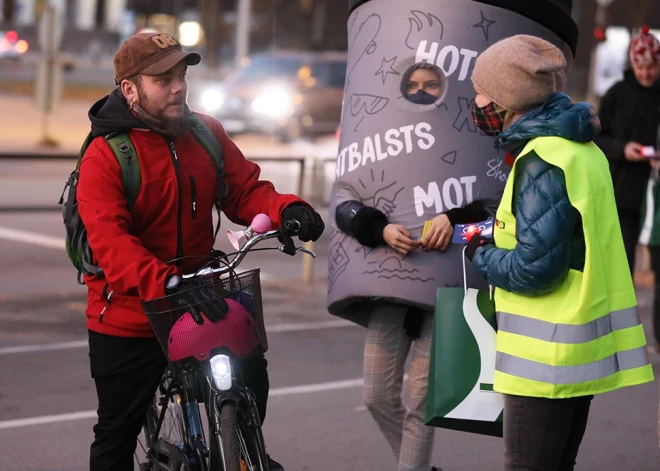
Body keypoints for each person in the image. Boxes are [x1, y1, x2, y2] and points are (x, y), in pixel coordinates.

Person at [77, 32, 325, 471]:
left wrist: (287, 208)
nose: (179, 86)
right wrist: (163, 281)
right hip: (130, 314)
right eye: (163, 78)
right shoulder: (107, 155)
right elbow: (111, 245)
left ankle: (244, 447)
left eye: (182, 74)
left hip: (199, 296)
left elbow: (245, 190)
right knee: (115, 434)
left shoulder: (205, 133)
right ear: (129, 89)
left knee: (252, 374)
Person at [465, 34, 654, 470]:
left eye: (482, 92)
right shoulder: (579, 149)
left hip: (544, 359)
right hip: (574, 348)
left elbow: (535, 269)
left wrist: (481, 251)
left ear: (508, 100)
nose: (475, 102)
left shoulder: (542, 160)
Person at [334, 187, 492, 470]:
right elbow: (346, 206)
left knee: (419, 404)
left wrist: (454, 219)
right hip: (390, 285)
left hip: (445, 286)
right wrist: (379, 229)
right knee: (376, 396)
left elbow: (494, 210)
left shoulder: (478, 141)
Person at [596, 26, 660, 352]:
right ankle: (616, 336)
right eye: (641, 66)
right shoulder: (618, 94)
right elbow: (598, 137)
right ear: (633, 65)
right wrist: (623, 149)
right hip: (624, 193)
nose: (647, 72)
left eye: (652, 66)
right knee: (621, 267)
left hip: (656, 198)